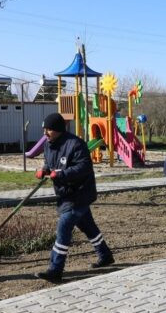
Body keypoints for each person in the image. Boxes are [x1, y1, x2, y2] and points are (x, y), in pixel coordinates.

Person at [34, 113, 114, 282]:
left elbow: (83, 167)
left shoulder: (76, 144)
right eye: (44, 129)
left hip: (80, 193)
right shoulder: (49, 144)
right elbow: (49, 163)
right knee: (88, 227)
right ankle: (105, 255)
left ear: (58, 130)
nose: (45, 133)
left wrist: (61, 174)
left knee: (63, 228)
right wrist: (45, 170)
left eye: (49, 129)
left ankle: (55, 270)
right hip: (65, 193)